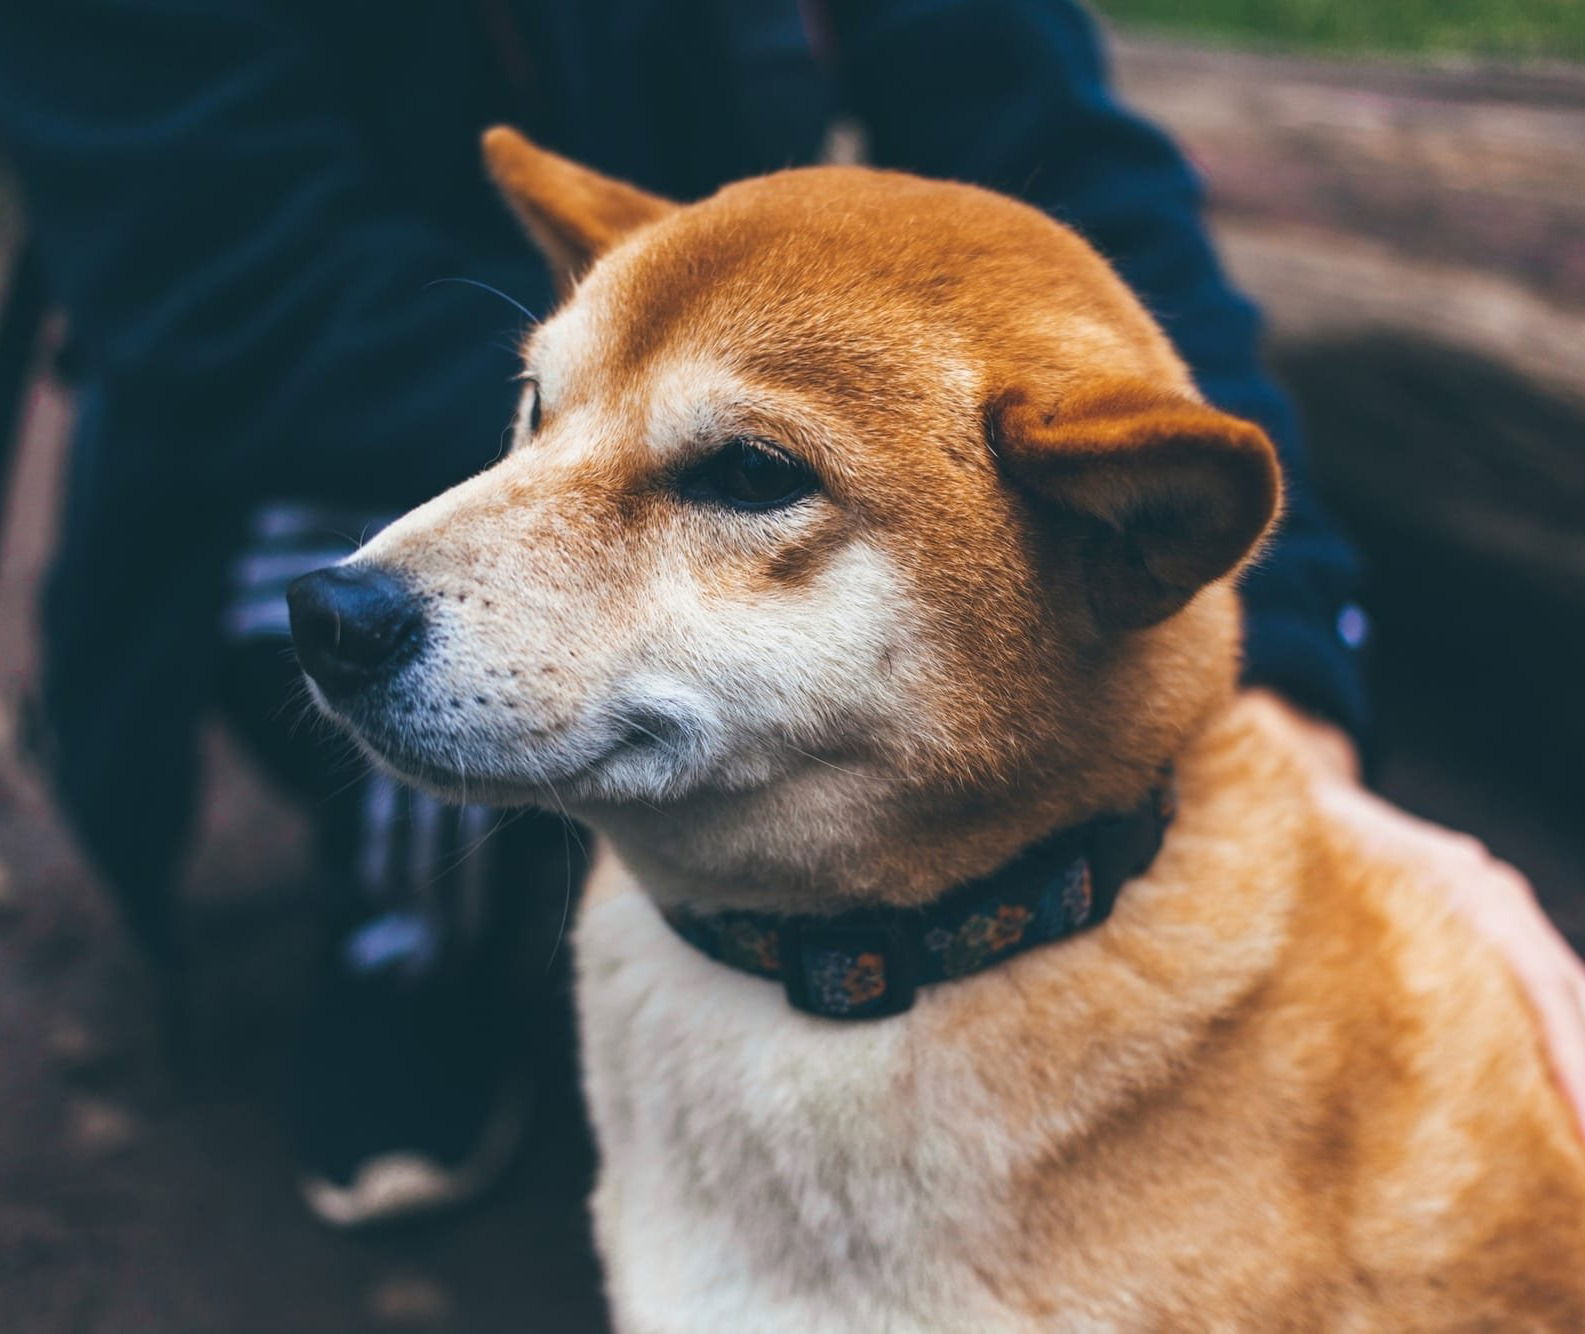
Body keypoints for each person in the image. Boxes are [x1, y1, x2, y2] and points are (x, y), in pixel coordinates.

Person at [1, 0, 1580, 1226]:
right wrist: (649, 385)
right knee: (412, 606)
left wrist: (1289, 683)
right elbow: (223, 292)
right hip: (306, 392)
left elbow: (1076, 171)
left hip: (688, 319)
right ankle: (406, 934)